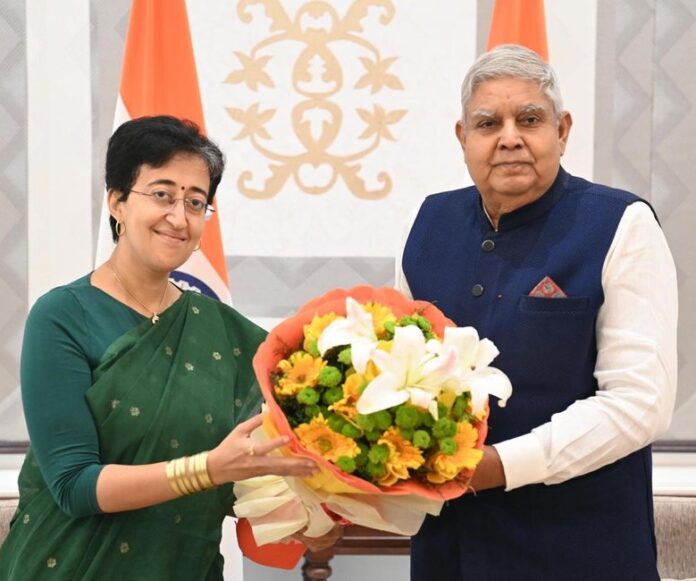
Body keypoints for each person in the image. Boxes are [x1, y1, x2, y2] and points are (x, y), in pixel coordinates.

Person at [396, 45, 678, 580]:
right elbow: (403, 372)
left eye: (529, 119)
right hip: (449, 550)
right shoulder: (427, 223)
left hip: (581, 550)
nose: (509, 138)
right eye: (487, 123)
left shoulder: (622, 224)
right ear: (463, 139)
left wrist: (499, 467)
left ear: (562, 130)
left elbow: (639, 402)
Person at [0, 116, 324, 580]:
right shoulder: (62, 317)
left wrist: (316, 513)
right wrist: (208, 469)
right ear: (116, 202)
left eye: (196, 202)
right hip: (69, 565)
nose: (179, 217)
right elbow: (74, 485)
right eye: (162, 194)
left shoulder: (230, 336)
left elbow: (245, 477)